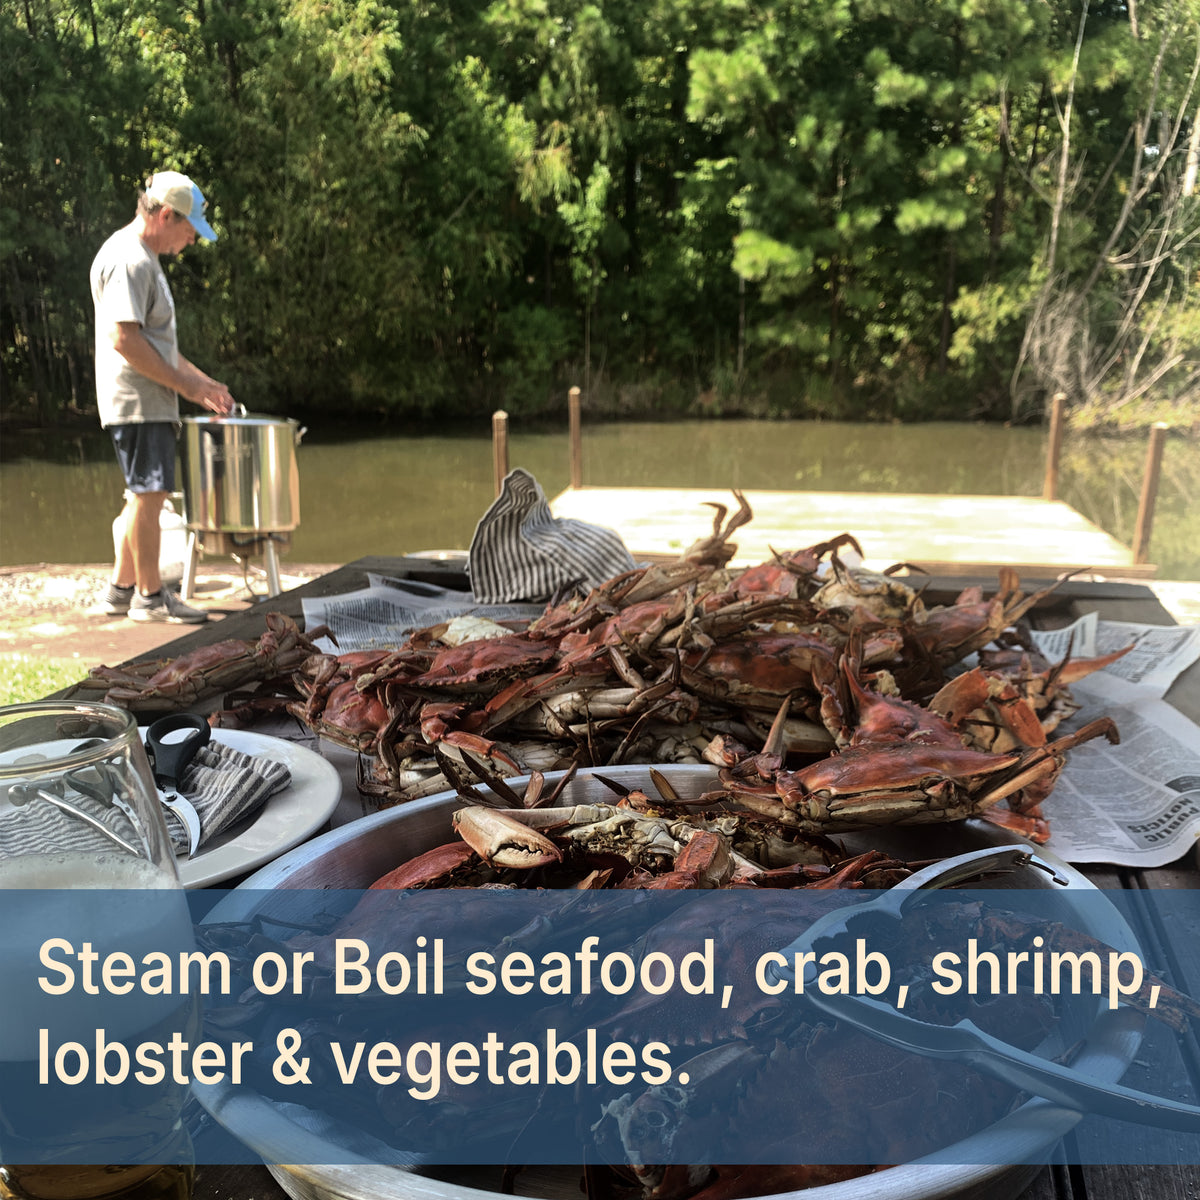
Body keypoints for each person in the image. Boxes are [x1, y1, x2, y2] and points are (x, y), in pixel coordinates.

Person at [90, 169, 235, 623]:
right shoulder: (130, 259)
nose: (190, 242)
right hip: (137, 403)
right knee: (151, 494)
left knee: (141, 496)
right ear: (166, 215)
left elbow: (157, 346)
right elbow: (124, 340)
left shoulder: (142, 257)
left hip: (146, 400)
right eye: (189, 231)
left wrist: (204, 384)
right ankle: (150, 599)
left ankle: (121, 588)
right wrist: (188, 387)